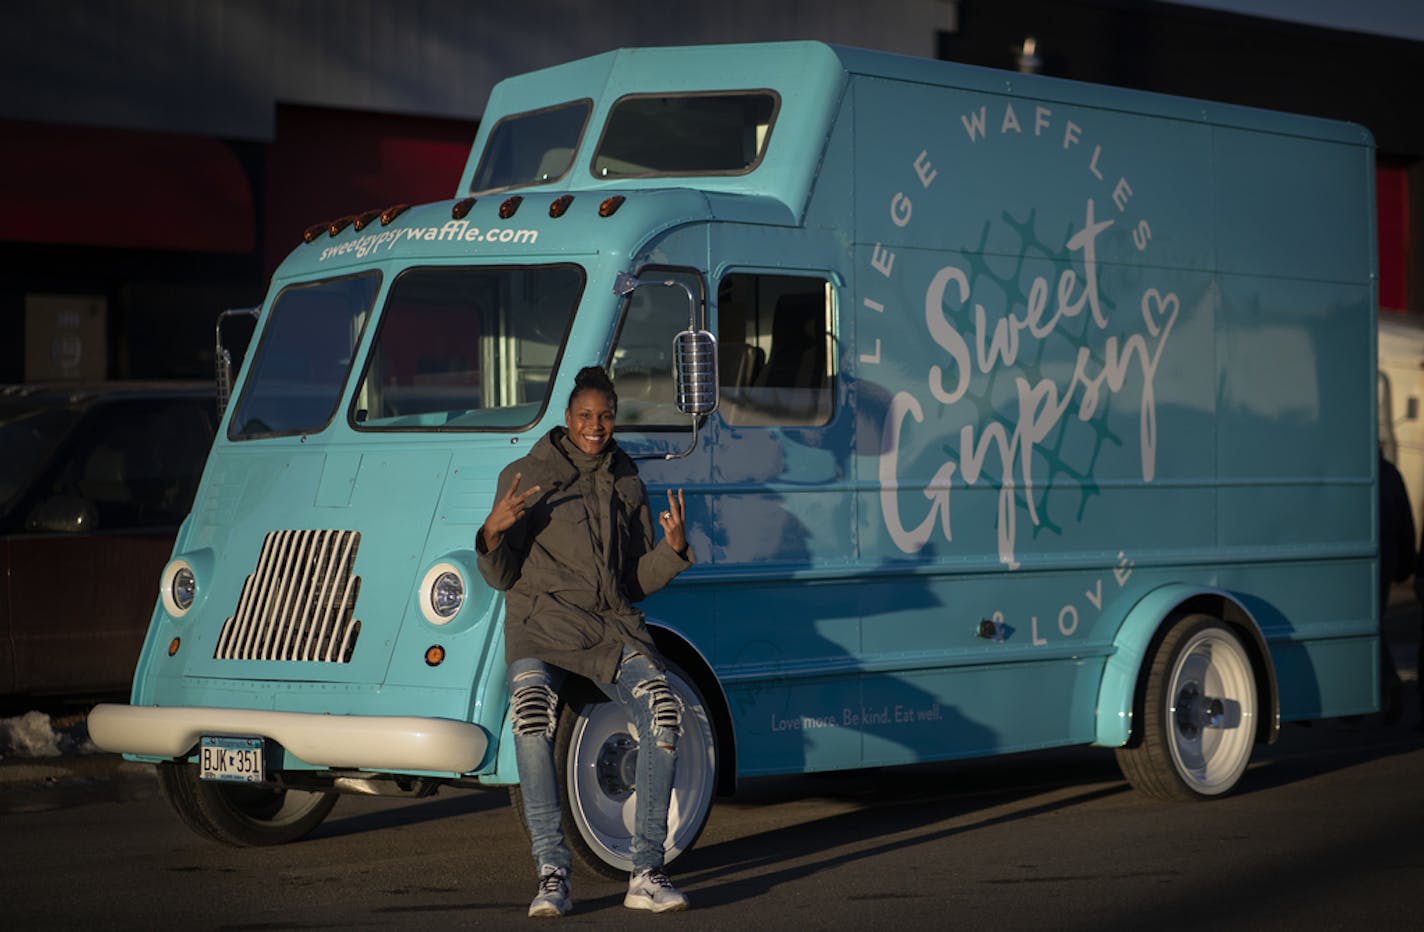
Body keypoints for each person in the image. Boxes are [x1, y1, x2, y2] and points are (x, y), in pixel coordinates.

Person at [477, 365, 695, 918]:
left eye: (604, 416)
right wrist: (492, 532)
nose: (595, 426)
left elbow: (631, 584)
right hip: (542, 624)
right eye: (584, 416)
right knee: (530, 714)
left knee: (663, 710)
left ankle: (646, 872)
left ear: (614, 418)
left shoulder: (627, 480)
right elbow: (502, 577)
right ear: (567, 418)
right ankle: (553, 873)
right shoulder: (527, 474)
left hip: (607, 626)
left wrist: (671, 550)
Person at [1379, 451, 1414, 724]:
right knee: (1375, 622)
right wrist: (1406, 564)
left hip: (1362, 563)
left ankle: (1387, 680)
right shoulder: (1391, 473)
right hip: (1387, 559)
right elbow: (1406, 521)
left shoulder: (1356, 472)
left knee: (1368, 628)